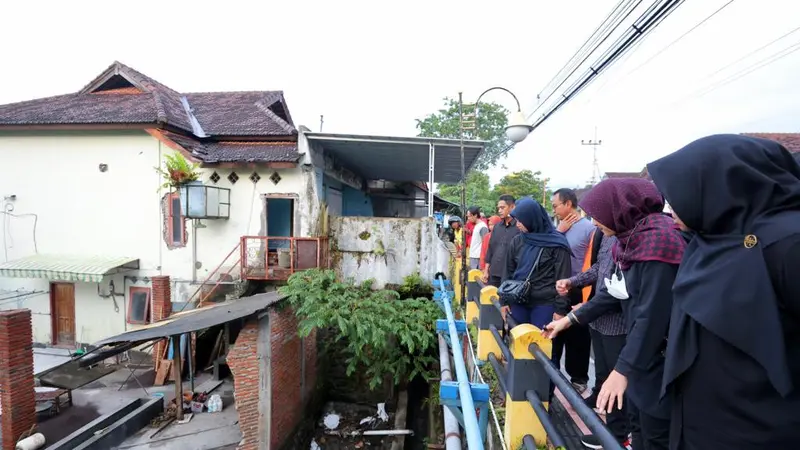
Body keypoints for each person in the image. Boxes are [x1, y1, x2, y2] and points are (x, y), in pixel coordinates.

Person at [647, 134, 800, 449]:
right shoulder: (709, 239)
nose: (668, 205)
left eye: (678, 190)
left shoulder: (787, 243)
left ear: (719, 184)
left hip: (763, 432)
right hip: (699, 425)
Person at [543, 178, 686, 450]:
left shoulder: (658, 244)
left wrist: (623, 369)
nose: (594, 222)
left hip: (659, 355)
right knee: (638, 420)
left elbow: (653, 316)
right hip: (642, 351)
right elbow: (612, 290)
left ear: (619, 209)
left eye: (598, 215)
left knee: (654, 429)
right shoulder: (630, 239)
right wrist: (567, 321)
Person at [557, 226, 631, 449]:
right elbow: (600, 268)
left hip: (617, 324)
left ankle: (617, 435)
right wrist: (574, 281)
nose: (595, 223)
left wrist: (577, 313)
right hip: (598, 319)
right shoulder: (607, 236)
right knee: (602, 373)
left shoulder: (632, 239)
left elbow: (616, 291)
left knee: (617, 382)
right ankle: (608, 425)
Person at [499, 197, 572, 329]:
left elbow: (563, 277)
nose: (517, 224)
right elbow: (508, 271)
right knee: (517, 342)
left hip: (544, 304)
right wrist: (503, 301)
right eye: (517, 220)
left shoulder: (556, 243)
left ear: (532, 218)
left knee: (539, 344)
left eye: (521, 220)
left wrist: (560, 310)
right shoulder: (518, 241)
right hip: (518, 300)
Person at [551, 188, 595, 395]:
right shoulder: (556, 228)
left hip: (579, 288)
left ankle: (578, 378)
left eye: (556, 206)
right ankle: (552, 373)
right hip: (557, 286)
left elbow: (593, 262)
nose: (554, 210)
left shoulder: (589, 229)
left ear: (568, 204)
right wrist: (558, 232)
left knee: (578, 336)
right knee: (554, 332)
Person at [483, 195, 520, 286]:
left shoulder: (519, 227)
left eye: (502, 208)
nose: (499, 211)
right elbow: (491, 248)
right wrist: (486, 270)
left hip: (510, 275)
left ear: (512, 207)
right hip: (494, 272)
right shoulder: (497, 226)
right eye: (498, 208)